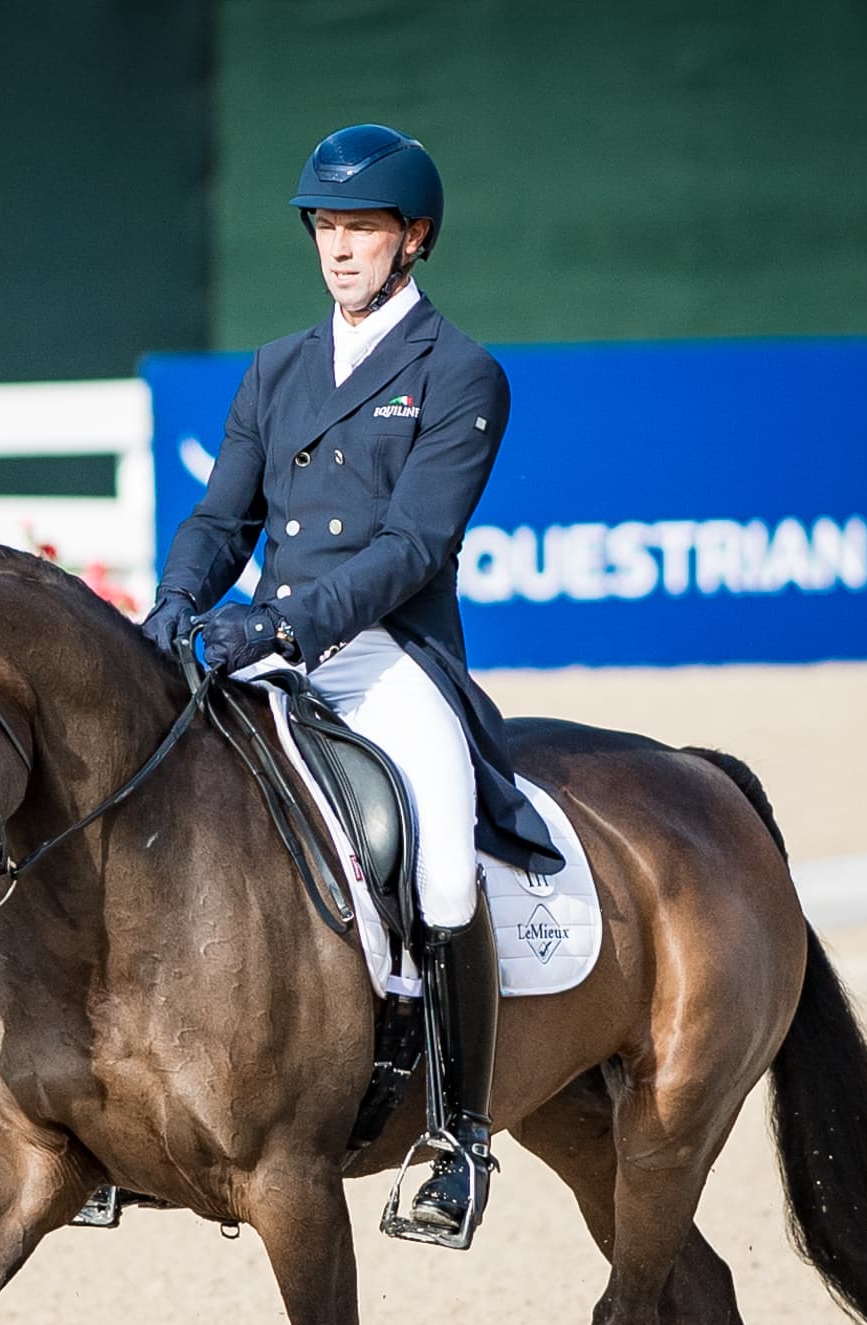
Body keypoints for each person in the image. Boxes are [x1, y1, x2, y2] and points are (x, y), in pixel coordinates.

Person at [143, 124, 563, 1249]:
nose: (338, 249)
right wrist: (176, 601)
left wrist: (281, 623)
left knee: (441, 860)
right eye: (326, 227)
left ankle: (458, 1137)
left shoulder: (458, 373)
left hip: (384, 653)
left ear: (411, 238)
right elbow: (223, 516)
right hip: (262, 644)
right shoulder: (276, 367)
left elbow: (413, 547)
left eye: (361, 229)